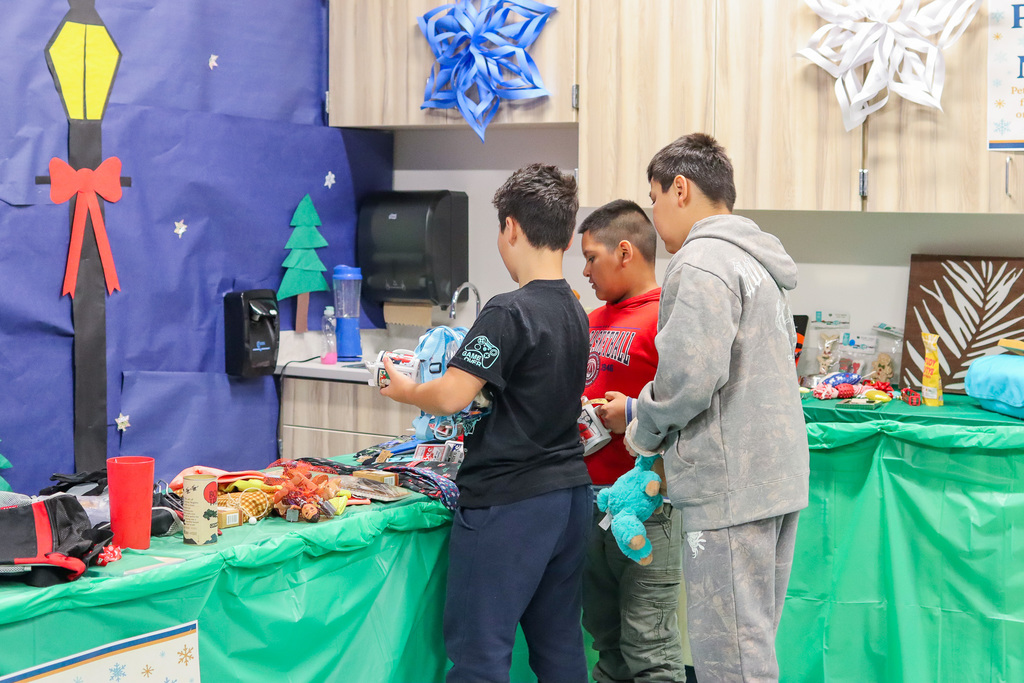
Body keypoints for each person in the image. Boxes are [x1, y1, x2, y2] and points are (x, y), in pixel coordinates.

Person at [379, 163, 593, 683]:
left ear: (511, 228)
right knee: (560, 647)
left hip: (510, 504)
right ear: (567, 235)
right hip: (569, 500)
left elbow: (451, 395)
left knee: (480, 654)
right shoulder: (575, 309)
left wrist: (405, 388)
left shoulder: (507, 311)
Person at [611, 133, 809, 683]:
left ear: (681, 189)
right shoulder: (756, 261)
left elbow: (686, 381)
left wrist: (641, 431)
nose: (652, 214)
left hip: (731, 487)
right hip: (772, 480)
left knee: (731, 661)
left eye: (653, 198)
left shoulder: (702, 261)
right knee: (752, 647)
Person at [578, 199, 693, 683]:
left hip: (650, 507)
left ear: (624, 251)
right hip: (589, 503)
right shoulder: (592, 318)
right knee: (605, 639)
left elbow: (692, 409)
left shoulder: (670, 318)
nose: (584, 271)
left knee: (650, 646)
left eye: (591, 257)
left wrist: (632, 414)